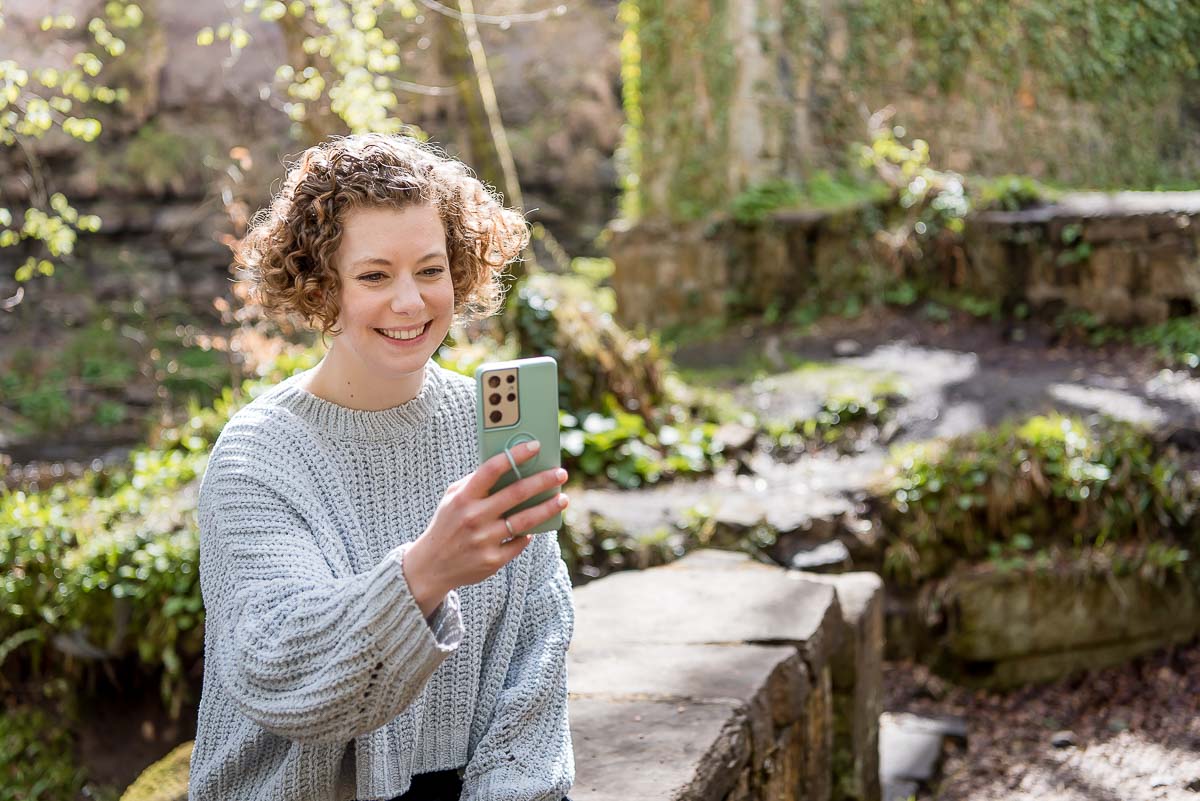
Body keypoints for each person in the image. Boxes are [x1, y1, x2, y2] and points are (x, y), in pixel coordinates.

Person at [187, 133, 575, 801]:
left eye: (430, 270)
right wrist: (425, 572)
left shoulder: (488, 426)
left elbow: (535, 657)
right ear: (321, 285)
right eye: (374, 275)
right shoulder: (258, 456)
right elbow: (277, 670)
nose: (410, 302)